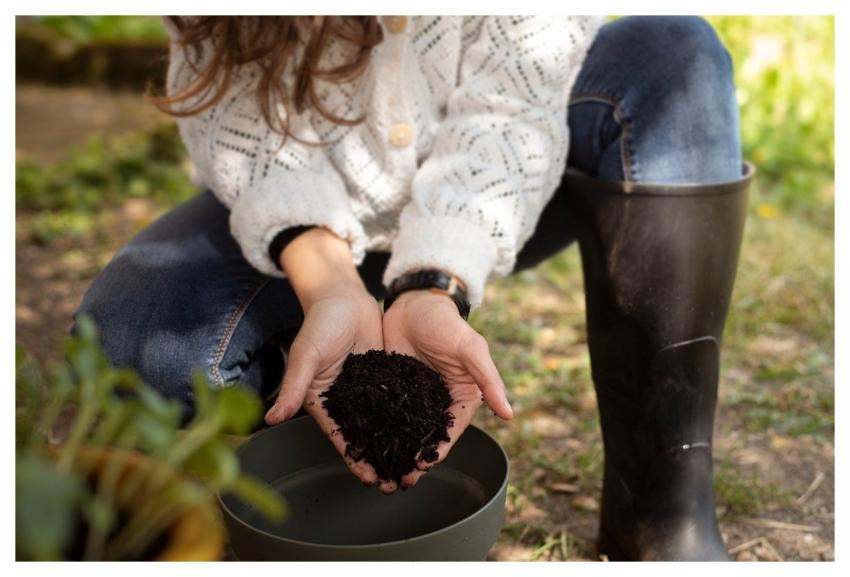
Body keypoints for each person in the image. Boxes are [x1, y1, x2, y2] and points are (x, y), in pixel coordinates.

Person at [72, 15, 754, 560]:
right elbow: (237, 117)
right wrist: (329, 282)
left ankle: (662, 515)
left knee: (673, 56)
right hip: (301, 210)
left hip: (494, 185)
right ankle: (296, 391)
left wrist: (436, 281)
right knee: (137, 347)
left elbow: (513, 109)